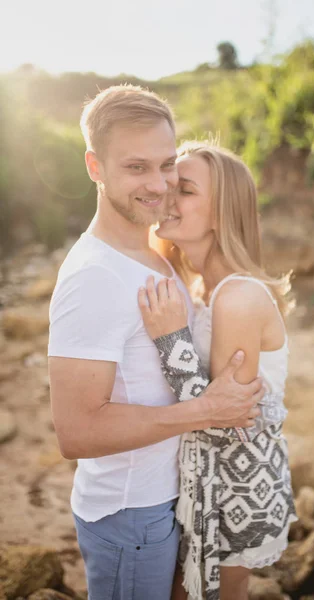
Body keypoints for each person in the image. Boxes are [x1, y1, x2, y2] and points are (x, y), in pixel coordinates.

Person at [47, 86, 266, 600]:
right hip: (130, 514)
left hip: (166, 500)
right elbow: (75, 432)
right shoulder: (93, 275)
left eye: (167, 165)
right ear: (95, 167)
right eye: (136, 168)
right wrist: (205, 410)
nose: (159, 184)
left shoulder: (153, 255)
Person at [138, 141, 298, 600]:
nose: (167, 198)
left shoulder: (238, 298)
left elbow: (225, 422)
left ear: (220, 214)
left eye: (183, 190)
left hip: (241, 495)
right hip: (206, 489)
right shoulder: (203, 290)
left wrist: (171, 339)